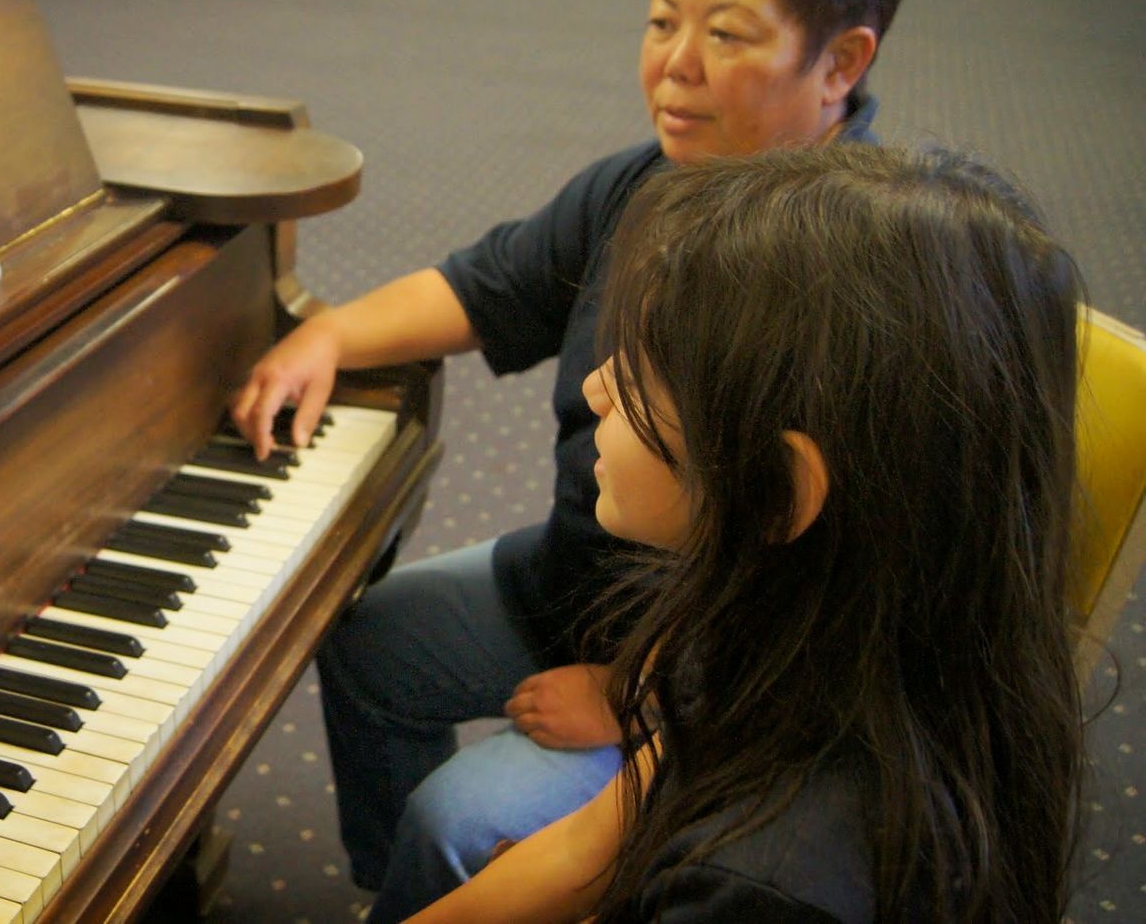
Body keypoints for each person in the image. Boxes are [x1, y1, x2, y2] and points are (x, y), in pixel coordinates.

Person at [227, 0, 916, 917]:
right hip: (574, 587)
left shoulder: (861, 280)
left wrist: (642, 701)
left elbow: (852, 609)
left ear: (841, 63)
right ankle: (399, 898)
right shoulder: (647, 183)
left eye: (726, 34)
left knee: (455, 824)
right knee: (366, 648)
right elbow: (489, 286)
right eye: (660, 21)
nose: (673, 67)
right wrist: (327, 336)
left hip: (737, 687)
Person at [406, 143, 1085, 922]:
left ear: (776, 488)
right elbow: (590, 843)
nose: (596, 389)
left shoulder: (762, 882)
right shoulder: (816, 636)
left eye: (643, 378)